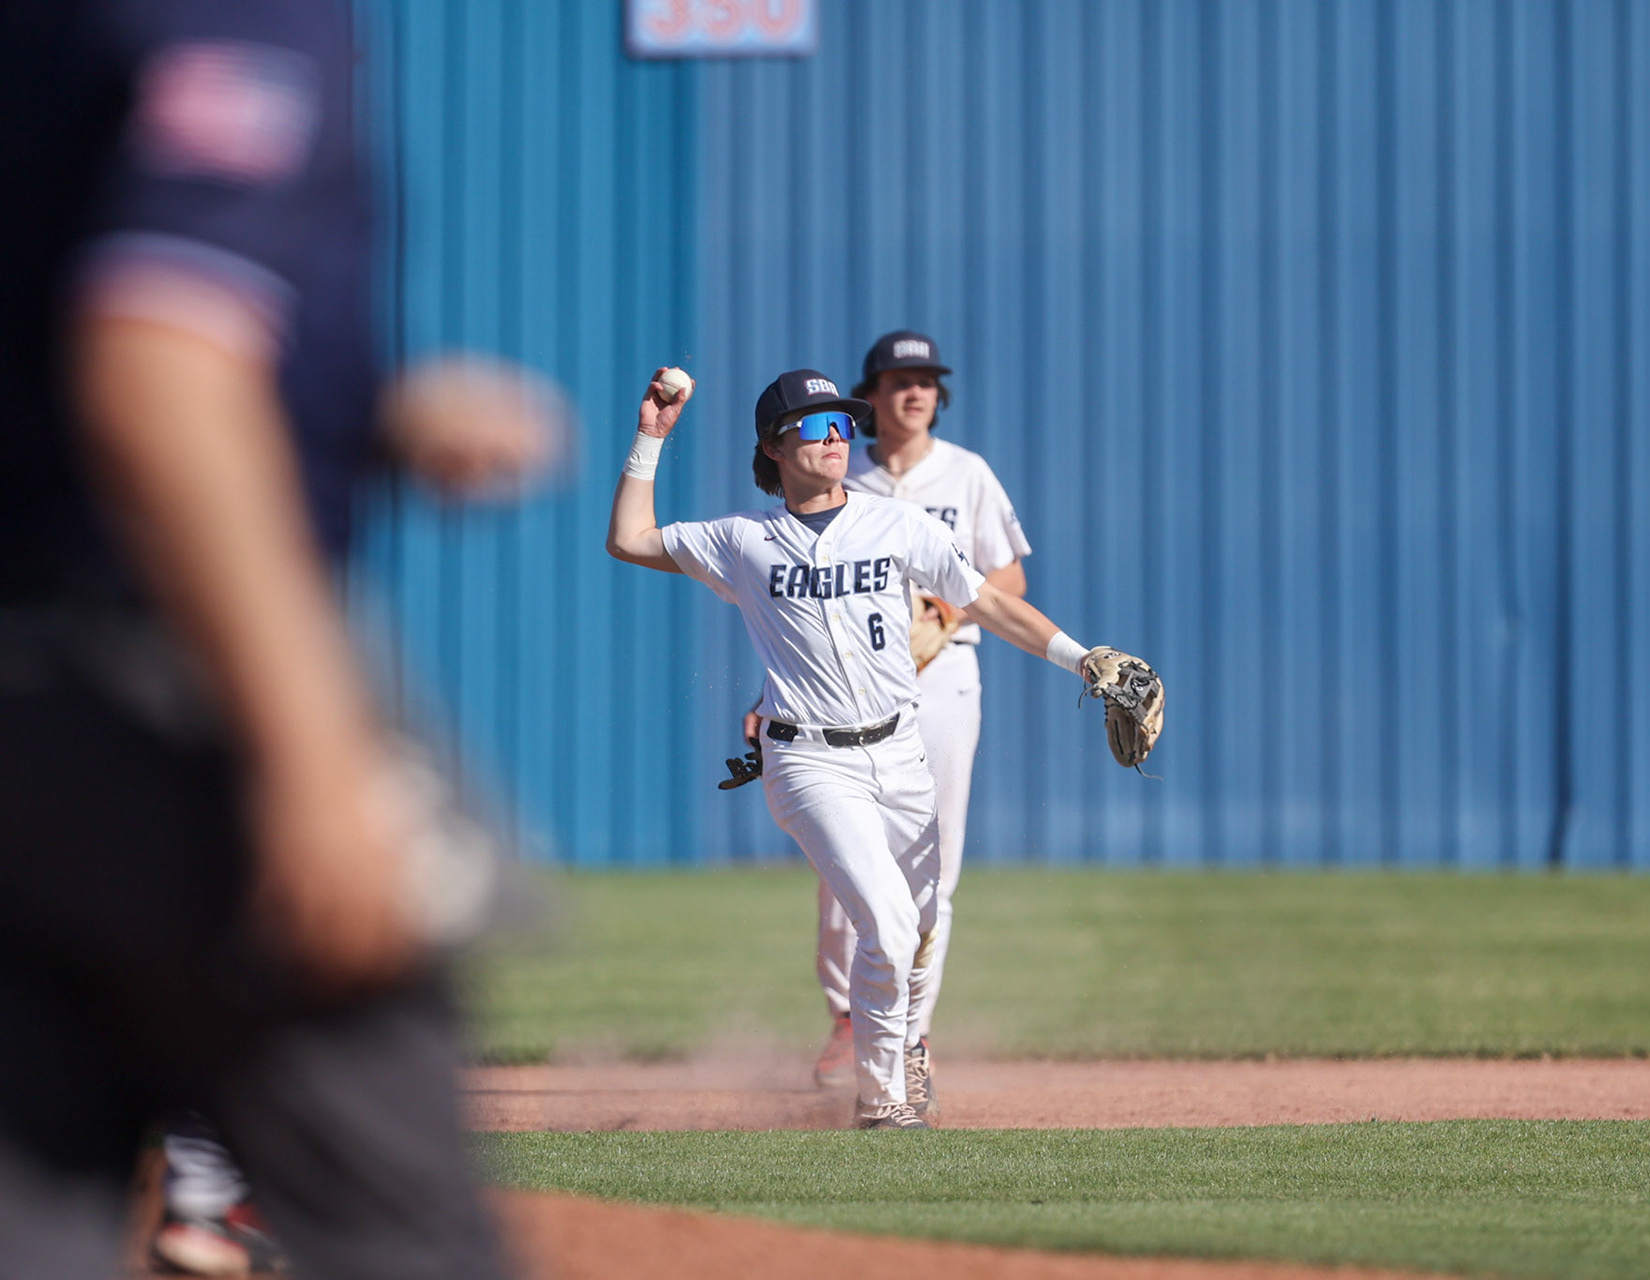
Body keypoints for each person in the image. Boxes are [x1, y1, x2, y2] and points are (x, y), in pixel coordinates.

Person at [0, 2, 538, 1275]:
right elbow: (155, 358)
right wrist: (311, 755)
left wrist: (366, 410)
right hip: (146, 696)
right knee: (400, 1233)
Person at [608, 367, 1127, 1129]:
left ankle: (905, 1050)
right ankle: (885, 1102)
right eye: (817, 427)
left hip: (902, 754)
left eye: (844, 426)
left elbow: (986, 600)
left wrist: (1082, 658)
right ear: (774, 448)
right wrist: (651, 437)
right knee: (883, 921)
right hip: (811, 762)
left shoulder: (897, 524)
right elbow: (627, 539)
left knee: (920, 925)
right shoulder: (743, 540)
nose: (836, 438)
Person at [753, 331, 1029, 1102]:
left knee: (931, 870)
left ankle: (913, 1032)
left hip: (943, 678)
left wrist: (942, 613)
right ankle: (848, 1017)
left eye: (927, 381)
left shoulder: (965, 473)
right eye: (899, 380)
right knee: (846, 867)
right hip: (838, 697)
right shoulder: (843, 471)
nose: (915, 392)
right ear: (865, 398)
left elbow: (1006, 574)